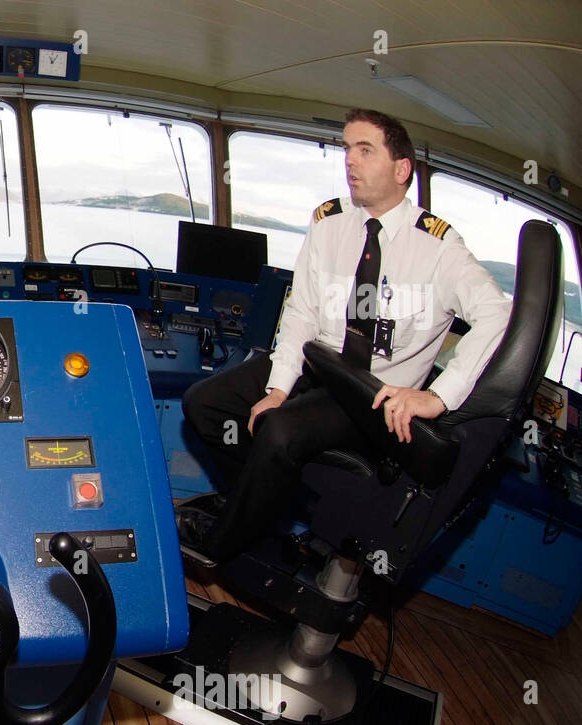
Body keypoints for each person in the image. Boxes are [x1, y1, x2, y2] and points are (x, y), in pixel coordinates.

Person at [178, 108, 511, 565]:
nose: (349, 161)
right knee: (203, 403)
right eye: (347, 149)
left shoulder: (438, 248)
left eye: (365, 150)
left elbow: (498, 316)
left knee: (277, 432)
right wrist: (278, 389)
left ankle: (226, 544)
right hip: (319, 369)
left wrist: (437, 397)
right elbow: (302, 311)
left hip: (369, 396)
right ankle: (258, 503)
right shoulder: (329, 222)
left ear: (401, 169)